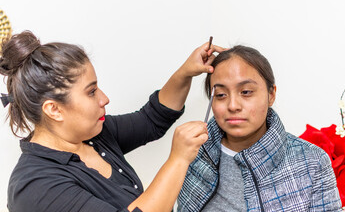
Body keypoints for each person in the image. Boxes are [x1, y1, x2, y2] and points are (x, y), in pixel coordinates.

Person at [0, 30, 225, 212]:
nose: (104, 99)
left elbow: (152, 120)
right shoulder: (36, 187)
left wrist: (185, 73)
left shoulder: (93, 135)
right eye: (91, 92)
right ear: (54, 109)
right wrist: (178, 159)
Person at [177, 45, 342, 211]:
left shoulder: (312, 161)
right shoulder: (192, 152)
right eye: (221, 95)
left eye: (246, 92)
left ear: (271, 95)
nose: (233, 105)